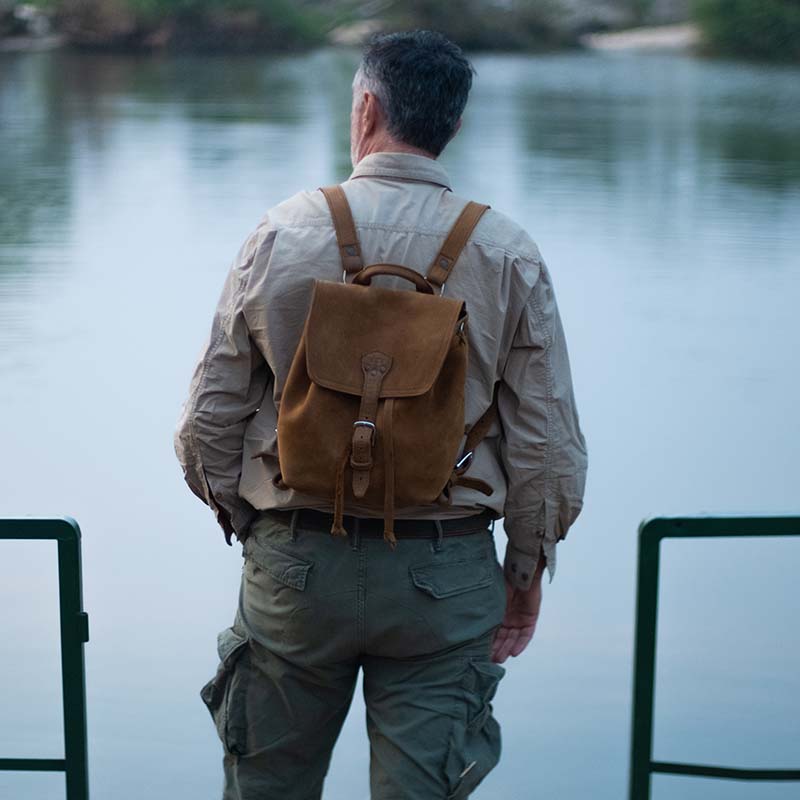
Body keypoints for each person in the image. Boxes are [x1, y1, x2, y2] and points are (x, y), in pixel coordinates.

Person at [175, 30, 587, 800]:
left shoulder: (282, 231)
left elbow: (208, 419)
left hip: (297, 564)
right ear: (452, 127)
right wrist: (524, 570)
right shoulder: (507, 251)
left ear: (365, 108)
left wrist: (254, 523)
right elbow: (548, 445)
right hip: (445, 570)